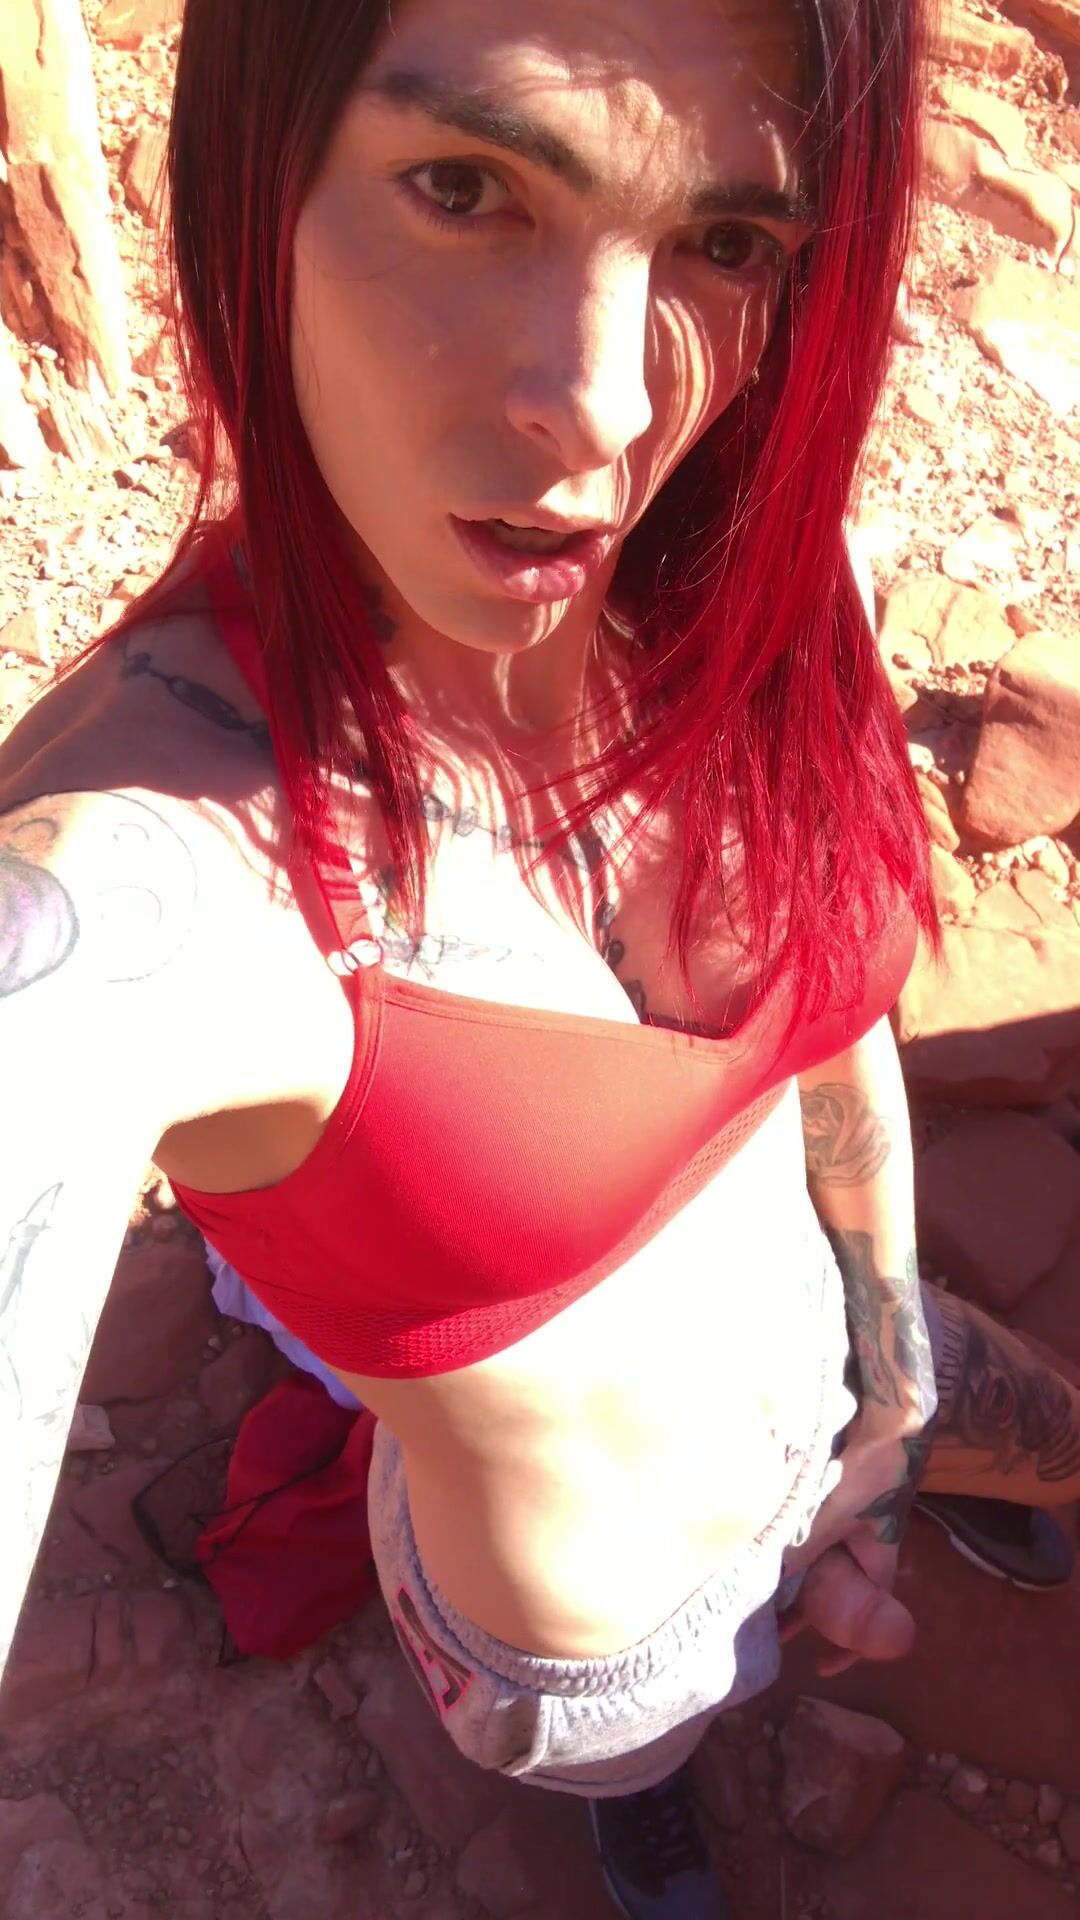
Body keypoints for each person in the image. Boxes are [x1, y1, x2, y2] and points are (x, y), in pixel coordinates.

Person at [1, 1, 1077, 1915]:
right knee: (654, 1749)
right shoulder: (139, 872)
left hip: (840, 1340)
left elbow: (833, 1040)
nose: (602, 413)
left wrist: (892, 1368)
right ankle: (638, 1810)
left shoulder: (749, 580)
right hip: (598, 1635)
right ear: (252, 187)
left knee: (1052, 1450)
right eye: (462, 185)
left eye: (723, 239)